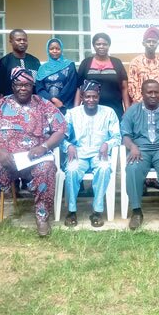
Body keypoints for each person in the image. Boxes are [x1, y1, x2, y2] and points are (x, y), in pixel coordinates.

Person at [0, 68, 66, 238]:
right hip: (4, 157)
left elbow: (61, 129)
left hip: (35, 158)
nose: (23, 88)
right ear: (12, 85)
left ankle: (42, 217)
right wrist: (0, 153)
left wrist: (44, 147)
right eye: (19, 84)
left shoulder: (44, 105)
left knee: (46, 168)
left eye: (27, 85)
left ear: (32, 86)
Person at [121, 80, 159, 231]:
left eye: (156, 92)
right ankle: (136, 212)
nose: (153, 95)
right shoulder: (132, 111)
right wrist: (132, 146)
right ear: (142, 93)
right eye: (149, 92)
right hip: (140, 149)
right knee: (133, 168)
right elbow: (125, 135)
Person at [62, 80, 121, 227]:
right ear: (82, 96)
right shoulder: (72, 114)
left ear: (99, 97)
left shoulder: (109, 113)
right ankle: (71, 211)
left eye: (94, 96)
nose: (91, 100)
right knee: (71, 170)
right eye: (88, 96)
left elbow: (117, 137)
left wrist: (107, 144)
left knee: (104, 168)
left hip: (99, 154)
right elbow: (61, 136)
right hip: (78, 154)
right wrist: (68, 145)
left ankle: (97, 211)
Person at [76, 33, 130, 120]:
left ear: (109, 45)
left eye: (105, 44)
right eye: (98, 44)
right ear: (93, 45)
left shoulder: (117, 63)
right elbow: (79, 88)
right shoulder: (86, 63)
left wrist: (127, 109)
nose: (101, 46)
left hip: (115, 108)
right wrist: (76, 109)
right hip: (91, 108)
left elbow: (124, 87)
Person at [127, 26, 159, 104]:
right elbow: (132, 87)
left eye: (154, 42)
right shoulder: (135, 62)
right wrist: (144, 103)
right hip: (141, 105)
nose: (151, 44)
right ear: (143, 43)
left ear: (158, 44)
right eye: (149, 41)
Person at [36, 37, 78, 114]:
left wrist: (59, 101)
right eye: (51, 49)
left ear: (61, 50)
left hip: (65, 105)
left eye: (57, 49)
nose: (54, 51)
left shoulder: (69, 65)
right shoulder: (42, 68)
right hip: (47, 106)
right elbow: (39, 88)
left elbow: (71, 86)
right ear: (47, 50)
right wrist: (52, 99)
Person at [0, 29, 41, 97]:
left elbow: (39, 84)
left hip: (32, 102)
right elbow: (0, 88)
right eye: (18, 40)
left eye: (25, 40)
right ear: (11, 42)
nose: (22, 42)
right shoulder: (4, 62)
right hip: (10, 103)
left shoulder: (35, 61)